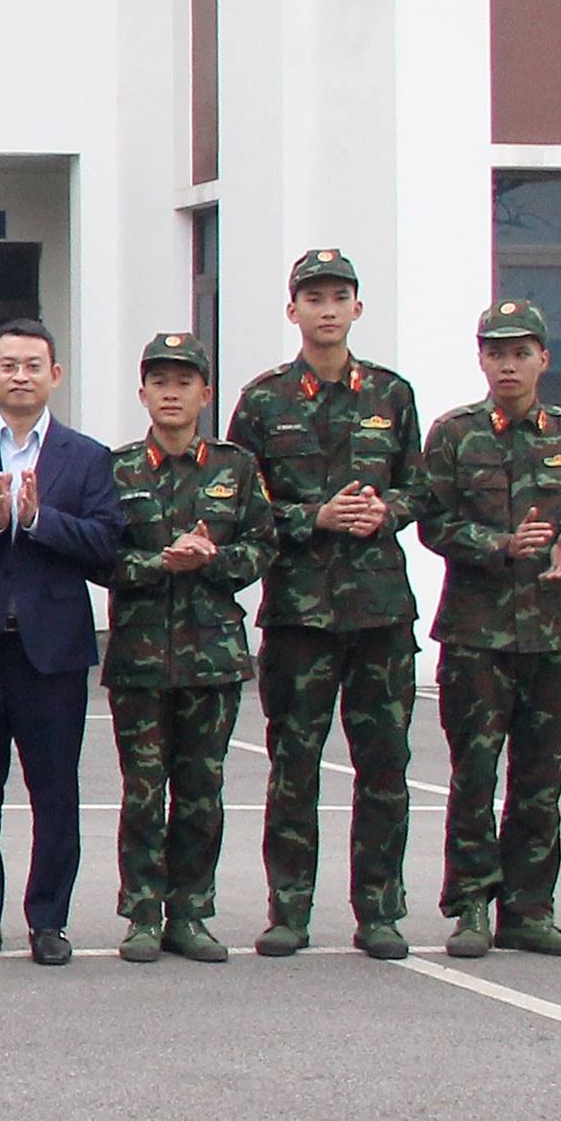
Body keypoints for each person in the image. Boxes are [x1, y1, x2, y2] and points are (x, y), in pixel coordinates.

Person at [226, 247, 426, 960]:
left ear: (358, 309)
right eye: (314, 298)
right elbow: (238, 506)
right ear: (293, 312)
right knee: (294, 766)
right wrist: (314, 518)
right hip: (300, 617)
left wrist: (383, 512)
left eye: (340, 296)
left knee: (384, 768)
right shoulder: (263, 400)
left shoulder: (392, 396)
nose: (328, 309)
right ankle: (290, 908)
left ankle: (379, 909)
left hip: (379, 613)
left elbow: (420, 490)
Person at [0, 318, 120, 965]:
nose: (20, 376)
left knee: (54, 790)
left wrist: (41, 519)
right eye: (8, 365)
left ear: (55, 376)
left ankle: (49, 919)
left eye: (33, 365)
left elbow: (105, 546)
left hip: (54, 649)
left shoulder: (87, 456)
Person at [415, 300, 561, 960]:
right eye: (497, 352)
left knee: (541, 776)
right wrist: (499, 545)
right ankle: (469, 905)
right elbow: (431, 521)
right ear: (482, 359)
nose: (509, 364)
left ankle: (530, 908)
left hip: (552, 636)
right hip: (477, 634)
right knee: (475, 773)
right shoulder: (455, 434)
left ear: (544, 359)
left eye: (522, 352)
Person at [101, 333, 266, 965]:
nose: (171, 393)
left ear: (206, 392)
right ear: (142, 392)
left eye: (184, 382)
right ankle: (142, 913)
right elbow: (100, 556)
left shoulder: (236, 467)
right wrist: (157, 563)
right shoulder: (115, 469)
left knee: (201, 790)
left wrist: (213, 558)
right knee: (143, 789)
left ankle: (191, 912)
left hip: (213, 657)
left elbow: (263, 548)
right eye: (159, 382)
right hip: (140, 658)